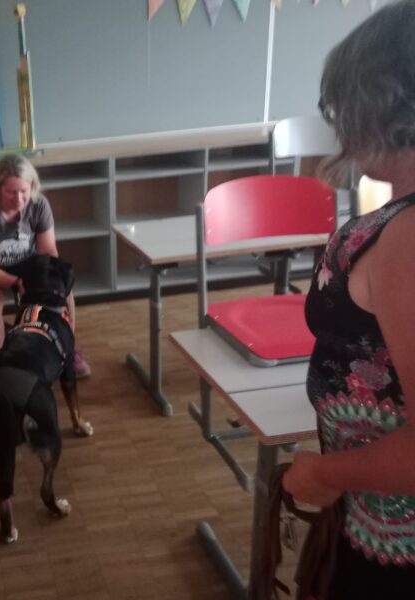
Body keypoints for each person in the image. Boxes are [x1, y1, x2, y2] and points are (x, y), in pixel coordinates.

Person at [282, 2, 415, 597]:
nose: (339, 127)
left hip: (393, 547)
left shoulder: (409, 236)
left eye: (341, 106)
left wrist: (326, 473)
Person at [0, 154, 93, 380]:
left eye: (24, 191)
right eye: (11, 192)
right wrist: (17, 282)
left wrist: (52, 279)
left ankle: (67, 349)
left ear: (32, 187)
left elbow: (48, 250)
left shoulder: (39, 204)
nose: (18, 199)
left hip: (21, 260)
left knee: (63, 291)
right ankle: (2, 369)